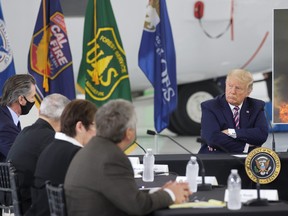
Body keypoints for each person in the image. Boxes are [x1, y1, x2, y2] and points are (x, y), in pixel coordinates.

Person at [64, 99, 191, 216]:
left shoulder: (92, 149)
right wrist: (171, 194)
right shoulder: (111, 158)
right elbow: (138, 206)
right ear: (129, 133)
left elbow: (126, 196)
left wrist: (161, 192)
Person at [27, 99, 97, 216]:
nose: (96, 133)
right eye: (94, 126)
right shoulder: (77, 155)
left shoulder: (51, 147)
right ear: (80, 126)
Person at [6, 93, 70, 213]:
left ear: (40, 111)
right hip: (30, 203)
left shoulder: (25, 131)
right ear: (65, 116)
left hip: (15, 198)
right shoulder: (50, 138)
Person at [198, 69, 269, 154]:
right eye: (230, 86)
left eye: (238, 88)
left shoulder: (256, 106)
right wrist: (246, 147)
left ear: (248, 92)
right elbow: (213, 139)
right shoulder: (210, 106)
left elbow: (261, 134)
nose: (232, 91)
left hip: (246, 160)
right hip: (216, 159)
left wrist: (231, 132)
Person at [0, 74, 36, 162]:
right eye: (32, 97)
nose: (33, 101)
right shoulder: (5, 125)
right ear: (21, 99)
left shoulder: (6, 115)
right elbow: (18, 158)